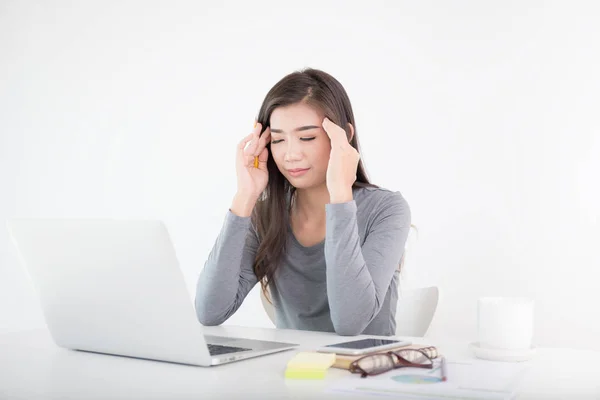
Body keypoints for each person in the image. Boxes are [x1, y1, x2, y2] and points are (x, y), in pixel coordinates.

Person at [195, 68, 411, 336]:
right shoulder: (266, 215)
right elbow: (209, 312)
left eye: (307, 137)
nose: (290, 154)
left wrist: (341, 196)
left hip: (362, 372)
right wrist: (245, 196)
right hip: (292, 371)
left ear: (343, 137)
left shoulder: (386, 210)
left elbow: (350, 323)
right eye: (278, 140)